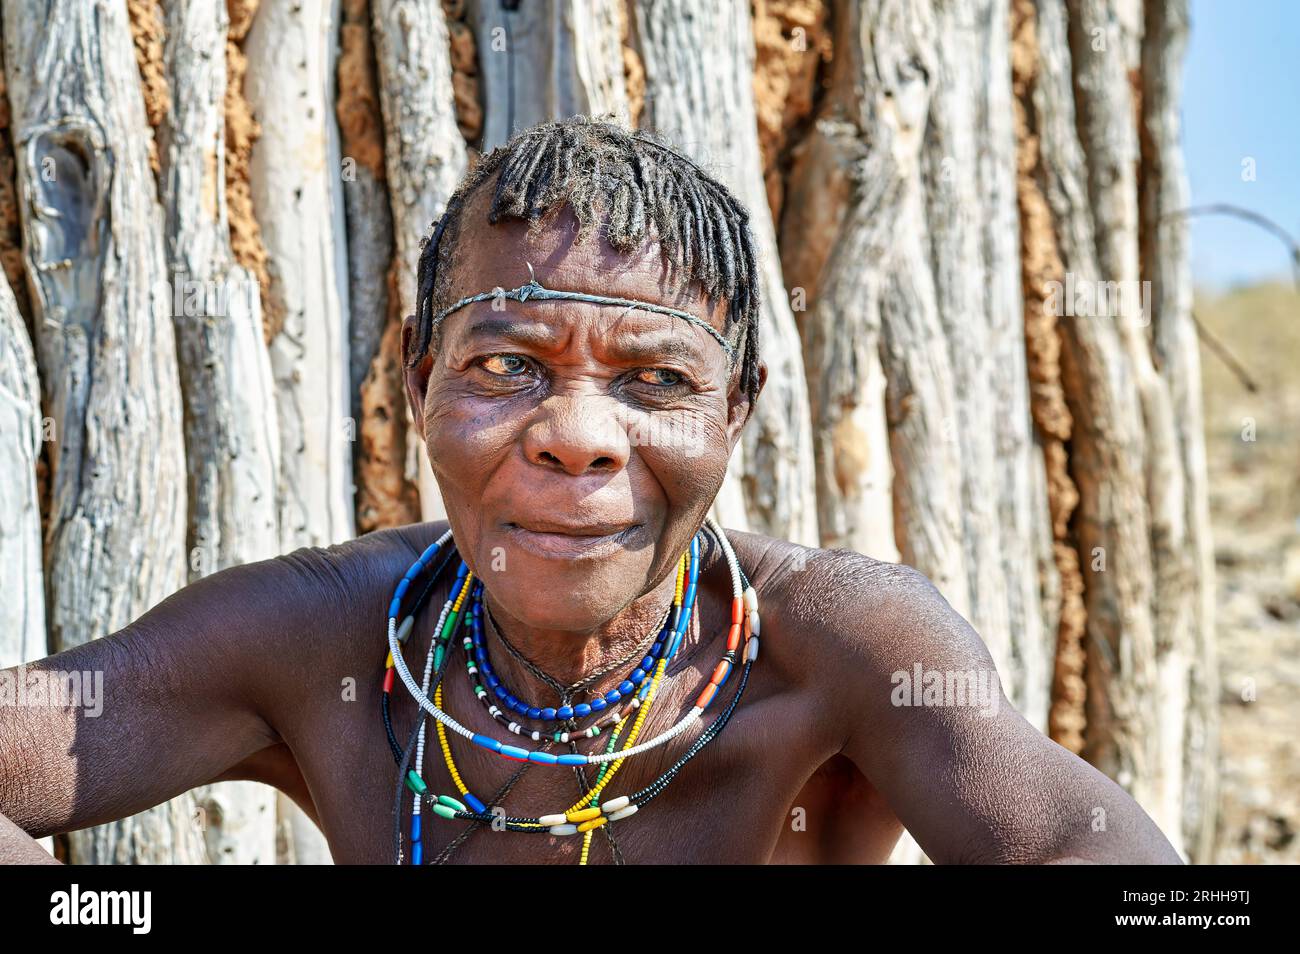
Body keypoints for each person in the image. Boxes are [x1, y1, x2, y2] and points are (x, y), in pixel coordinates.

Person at [0, 119, 1180, 865]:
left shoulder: (835, 646)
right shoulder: (319, 638)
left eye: (657, 379)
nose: (576, 439)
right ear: (420, 382)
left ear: (736, 410)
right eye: (507, 366)